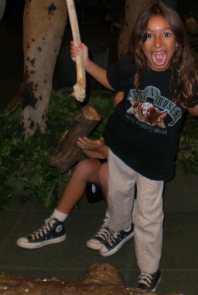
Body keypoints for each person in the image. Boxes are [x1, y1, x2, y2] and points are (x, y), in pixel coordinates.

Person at [70, 2, 198, 291]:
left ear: (177, 40)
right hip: (121, 146)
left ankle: (150, 270)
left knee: (149, 214)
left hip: (155, 159)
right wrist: (87, 62)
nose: (157, 42)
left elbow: (195, 110)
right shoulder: (132, 64)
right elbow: (110, 79)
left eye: (165, 34)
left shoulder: (188, 74)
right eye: (149, 35)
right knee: (117, 195)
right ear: (139, 42)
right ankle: (119, 228)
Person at [16, 92, 125, 251]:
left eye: (123, 101)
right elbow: (102, 154)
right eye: (116, 100)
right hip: (114, 171)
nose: (118, 103)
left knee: (106, 170)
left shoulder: (143, 124)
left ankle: (114, 225)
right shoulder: (116, 122)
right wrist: (81, 144)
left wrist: (101, 149)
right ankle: (56, 224)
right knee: (85, 167)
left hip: (136, 178)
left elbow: (128, 160)